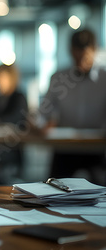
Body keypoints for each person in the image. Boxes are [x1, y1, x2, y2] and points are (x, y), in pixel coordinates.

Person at [40, 28, 106, 184]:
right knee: (53, 191)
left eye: (85, 54)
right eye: (77, 54)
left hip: (96, 149)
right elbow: (44, 111)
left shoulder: (104, 78)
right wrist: (42, 124)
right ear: (70, 51)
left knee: (101, 196)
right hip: (65, 148)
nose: (81, 60)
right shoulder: (59, 78)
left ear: (95, 50)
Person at [0, 64, 28, 184]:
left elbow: (17, 118)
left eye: (3, 78)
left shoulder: (19, 97)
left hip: (10, 146)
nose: (0, 81)